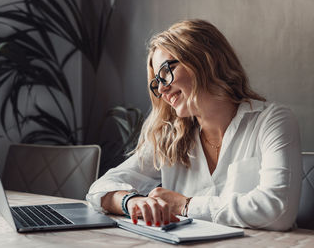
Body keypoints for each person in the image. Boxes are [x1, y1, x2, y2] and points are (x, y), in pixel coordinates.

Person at [86, 19, 302, 231]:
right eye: (157, 82)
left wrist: (184, 205)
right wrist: (131, 202)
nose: (161, 90)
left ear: (205, 61)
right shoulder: (170, 135)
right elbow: (99, 189)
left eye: (165, 73)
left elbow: (278, 210)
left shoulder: (273, 121)